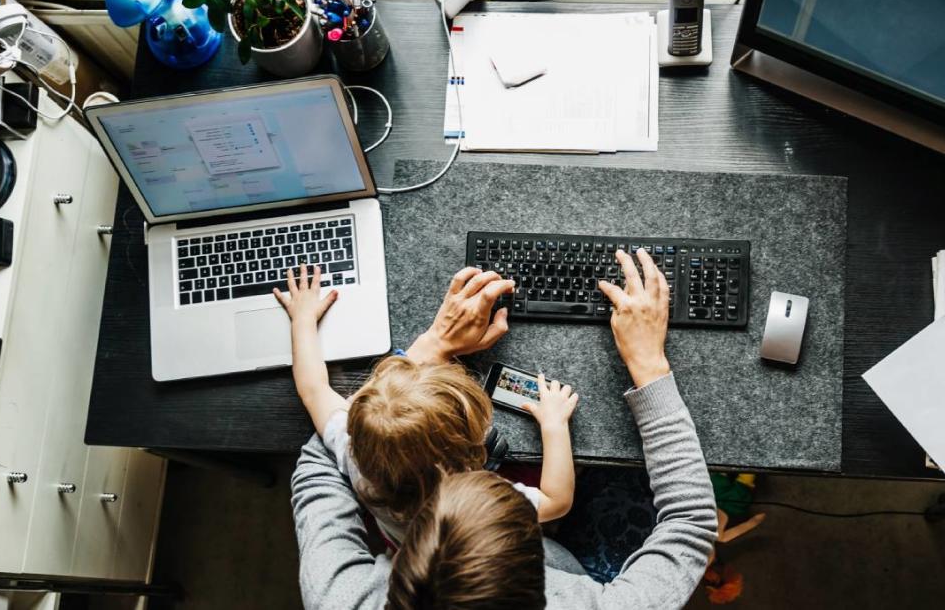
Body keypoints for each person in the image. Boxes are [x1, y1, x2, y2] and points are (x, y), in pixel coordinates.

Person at [291, 249, 719, 608]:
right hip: (572, 554)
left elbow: (320, 462)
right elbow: (690, 523)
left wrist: (429, 350)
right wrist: (648, 364)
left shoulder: (338, 598)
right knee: (622, 486)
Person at [275, 264, 578, 546]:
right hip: (469, 539)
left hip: (404, 540)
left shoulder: (354, 450)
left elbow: (313, 389)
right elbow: (556, 501)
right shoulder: (479, 501)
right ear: (473, 452)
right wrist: (554, 425)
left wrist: (302, 320)